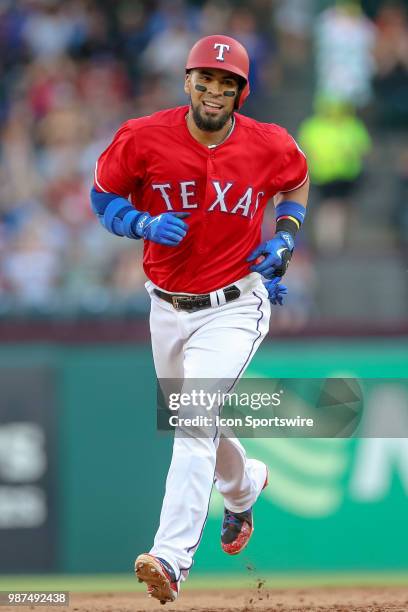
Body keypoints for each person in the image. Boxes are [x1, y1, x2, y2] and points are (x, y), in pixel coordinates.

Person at [90, 34, 309, 604]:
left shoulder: (268, 143)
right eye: (205, 79)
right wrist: (135, 223)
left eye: (227, 82)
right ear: (187, 81)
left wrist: (283, 242)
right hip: (165, 305)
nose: (215, 90)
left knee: (191, 421)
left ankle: (171, 557)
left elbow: (295, 184)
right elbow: (102, 196)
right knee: (197, 422)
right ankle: (244, 486)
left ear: (242, 92)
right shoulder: (143, 137)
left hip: (236, 303)